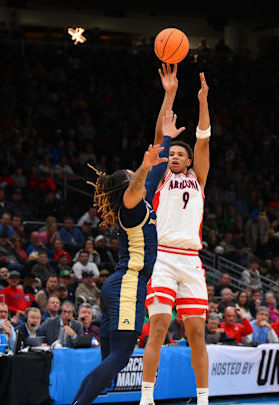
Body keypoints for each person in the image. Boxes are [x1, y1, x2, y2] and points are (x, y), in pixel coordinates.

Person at [71, 135, 169, 405]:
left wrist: (170, 100)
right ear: (128, 186)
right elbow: (143, 176)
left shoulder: (141, 202)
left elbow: (160, 154)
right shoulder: (131, 206)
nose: (138, 173)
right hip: (127, 284)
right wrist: (144, 167)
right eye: (133, 173)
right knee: (121, 356)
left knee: (110, 368)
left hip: (118, 285)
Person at [142, 67, 212, 405]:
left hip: (191, 261)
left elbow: (203, 138)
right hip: (164, 258)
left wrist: (202, 101)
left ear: (188, 161)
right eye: (171, 155)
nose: (174, 157)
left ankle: (202, 399)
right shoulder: (160, 179)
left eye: (179, 155)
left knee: (197, 334)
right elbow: (158, 140)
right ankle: (146, 398)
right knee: (158, 327)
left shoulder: (198, 178)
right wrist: (168, 94)